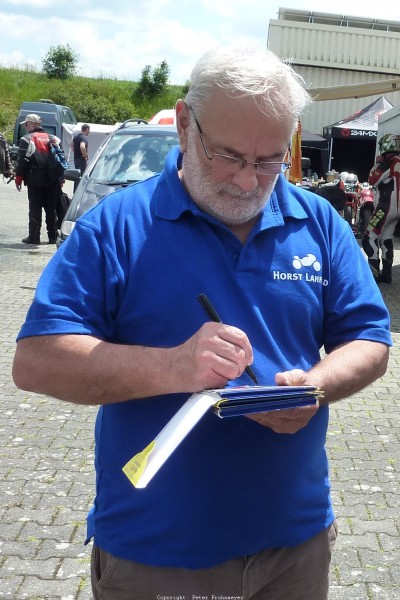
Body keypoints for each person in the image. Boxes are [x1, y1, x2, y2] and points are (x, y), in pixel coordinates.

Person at [12, 47, 391, 600]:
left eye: (269, 161)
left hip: (294, 546)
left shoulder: (320, 224)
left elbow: (370, 339)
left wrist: (317, 387)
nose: (248, 181)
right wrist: (172, 366)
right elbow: (37, 361)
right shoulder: (116, 227)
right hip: (157, 554)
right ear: (185, 124)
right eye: (230, 156)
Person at [15, 113, 65, 245]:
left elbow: (21, 162)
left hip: (34, 181)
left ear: (31, 124)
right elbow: (60, 159)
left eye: (26, 124)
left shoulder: (26, 139)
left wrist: (18, 178)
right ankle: (53, 237)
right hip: (52, 180)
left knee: (35, 209)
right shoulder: (53, 138)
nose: (25, 127)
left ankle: (34, 237)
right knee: (51, 209)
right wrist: (61, 179)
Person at [362, 133, 400, 284]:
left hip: (385, 207)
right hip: (396, 210)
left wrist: (378, 164)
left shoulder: (388, 163)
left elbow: (372, 179)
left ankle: (374, 275)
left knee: (368, 238)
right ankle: (387, 275)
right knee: (386, 238)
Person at [71, 123, 90, 190]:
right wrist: (85, 155)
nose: (89, 132)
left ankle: (75, 191)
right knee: (81, 177)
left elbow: (71, 145)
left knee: (77, 176)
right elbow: (82, 146)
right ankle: (79, 192)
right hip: (81, 159)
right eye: (88, 130)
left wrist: (75, 152)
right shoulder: (83, 137)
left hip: (76, 159)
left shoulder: (76, 137)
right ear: (86, 129)